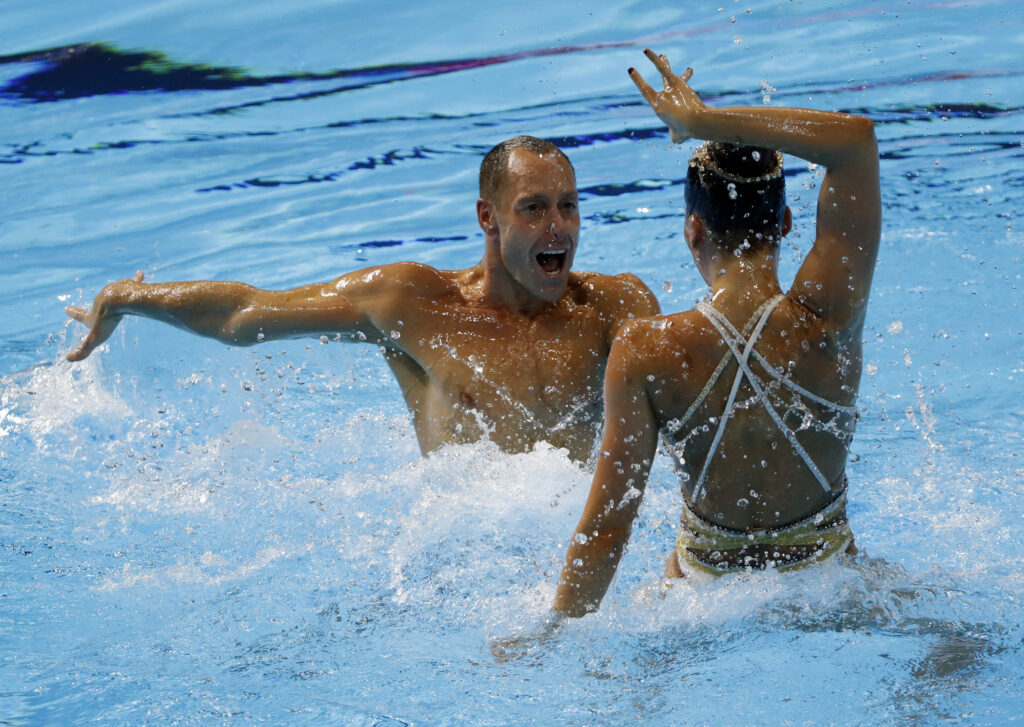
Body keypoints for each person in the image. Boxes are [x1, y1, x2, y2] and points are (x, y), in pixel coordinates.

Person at [65, 136, 659, 463]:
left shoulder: (616, 308)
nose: (558, 227)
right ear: (489, 218)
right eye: (534, 208)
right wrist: (128, 297)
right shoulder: (414, 301)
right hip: (472, 561)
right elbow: (246, 313)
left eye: (569, 205)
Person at [553, 50, 881, 616]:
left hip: (702, 601)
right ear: (784, 223)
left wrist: (548, 634)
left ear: (692, 230)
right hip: (832, 583)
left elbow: (607, 530)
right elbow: (854, 142)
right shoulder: (828, 315)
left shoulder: (644, 349)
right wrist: (703, 121)